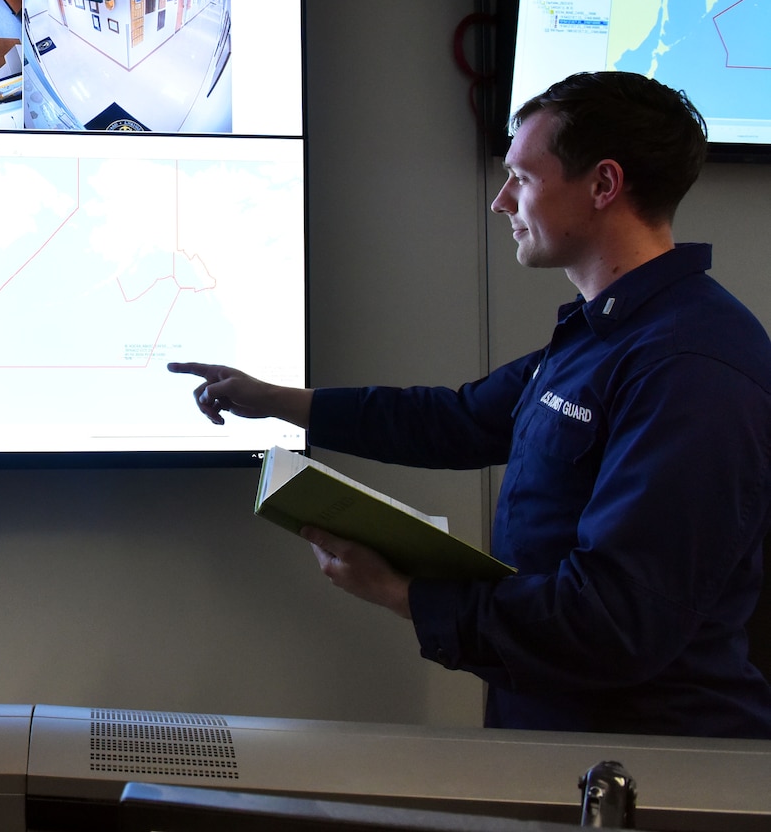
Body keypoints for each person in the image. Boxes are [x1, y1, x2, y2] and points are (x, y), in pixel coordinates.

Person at [171, 71, 771, 738]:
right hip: (554, 727)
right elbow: (458, 421)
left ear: (603, 186)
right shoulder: (605, 333)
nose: (500, 201)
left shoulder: (689, 366)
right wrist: (279, 401)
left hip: (650, 763)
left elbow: (613, 622)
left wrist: (403, 594)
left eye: (523, 177)